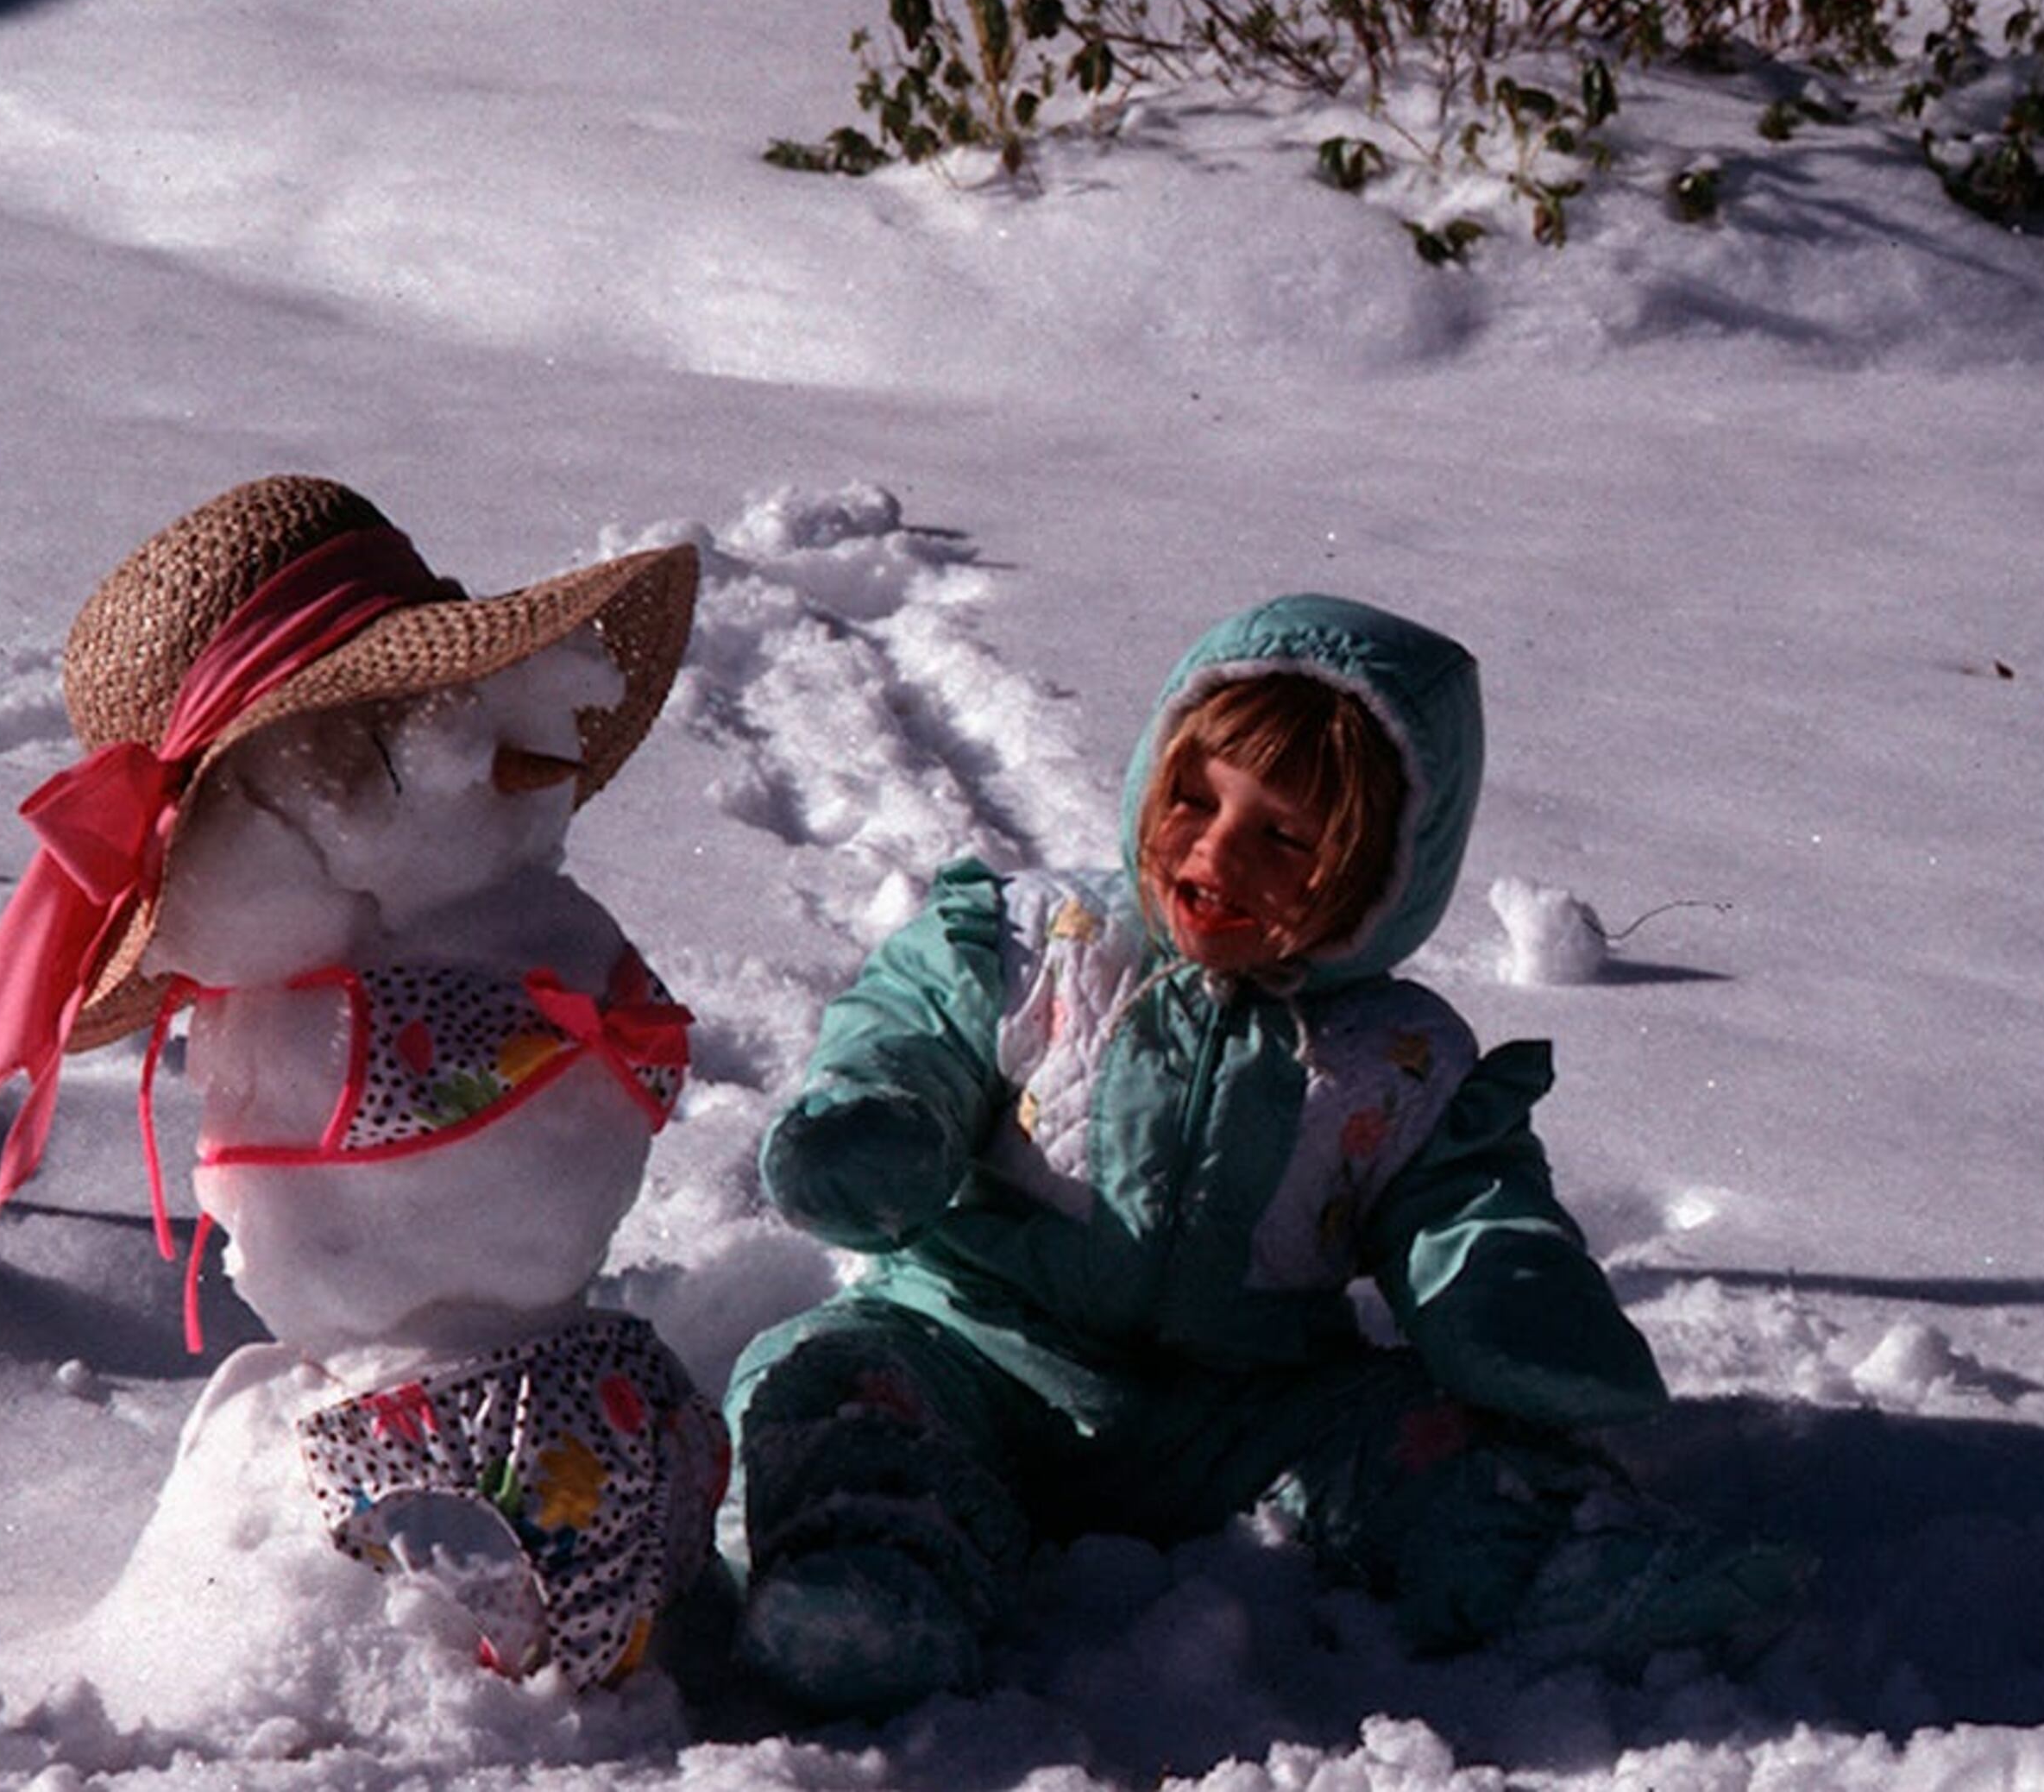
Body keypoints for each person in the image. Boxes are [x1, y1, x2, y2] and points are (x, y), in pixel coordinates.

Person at [724, 594, 1802, 1714]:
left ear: (1380, 876)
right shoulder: (1038, 944)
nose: (1216, 848)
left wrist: (1507, 1294)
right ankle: (873, 1576)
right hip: (971, 1347)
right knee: (828, 1375)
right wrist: (881, 1122)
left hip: (1243, 1403)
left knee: (1427, 1432)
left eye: (1283, 836)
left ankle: (1564, 1562)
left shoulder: (1396, 1054)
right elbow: (911, 1027)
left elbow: (1460, 1202)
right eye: (1194, 797)